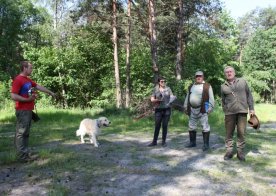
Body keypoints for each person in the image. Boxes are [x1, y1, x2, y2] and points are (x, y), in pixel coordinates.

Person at [11, 61, 55, 162]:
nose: (32, 70)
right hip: (22, 110)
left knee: (25, 132)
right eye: (30, 68)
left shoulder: (27, 80)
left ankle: (25, 153)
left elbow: (38, 86)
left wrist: (50, 92)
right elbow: (13, 96)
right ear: (24, 68)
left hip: (28, 110)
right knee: (21, 133)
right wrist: (27, 100)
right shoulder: (18, 79)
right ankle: (22, 157)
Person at [221, 66, 255, 161]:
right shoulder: (223, 86)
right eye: (227, 72)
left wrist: (251, 108)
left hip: (242, 111)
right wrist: (225, 109)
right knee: (228, 133)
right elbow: (223, 100)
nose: (229, 73)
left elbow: (249, 95)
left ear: (234, 73)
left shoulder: (243, 82)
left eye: (230, 71)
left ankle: (240, 152)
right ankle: (229, 152)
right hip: (229, 113)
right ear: (225, 74)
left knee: (241, 133)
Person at [183, 71, 215, 151]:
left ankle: (206, 144)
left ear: (203, 77)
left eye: (200, 76)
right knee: (191, 126)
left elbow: (211, 98)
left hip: (203, 109)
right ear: (195, 77)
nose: (198, 77)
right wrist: (185, 106)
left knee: (205, 127)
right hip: (192, 109)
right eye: (197, 76)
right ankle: (192, 143)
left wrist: (210, 108)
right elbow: (187, 97)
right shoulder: (191, 86)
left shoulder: (207, 86)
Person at [148, 77, 175, 147]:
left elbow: (172, 96)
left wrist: (172, 99)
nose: (163, 82)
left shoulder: (168, 88)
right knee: (157, 126)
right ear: (159, 82)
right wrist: (156, 100)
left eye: (164, 81)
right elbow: (152, 99)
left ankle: (163, 142)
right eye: (162, 81)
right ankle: (154, 142)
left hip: (167, 109)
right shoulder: (155, 89)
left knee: (165, 126)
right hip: (158, 110)